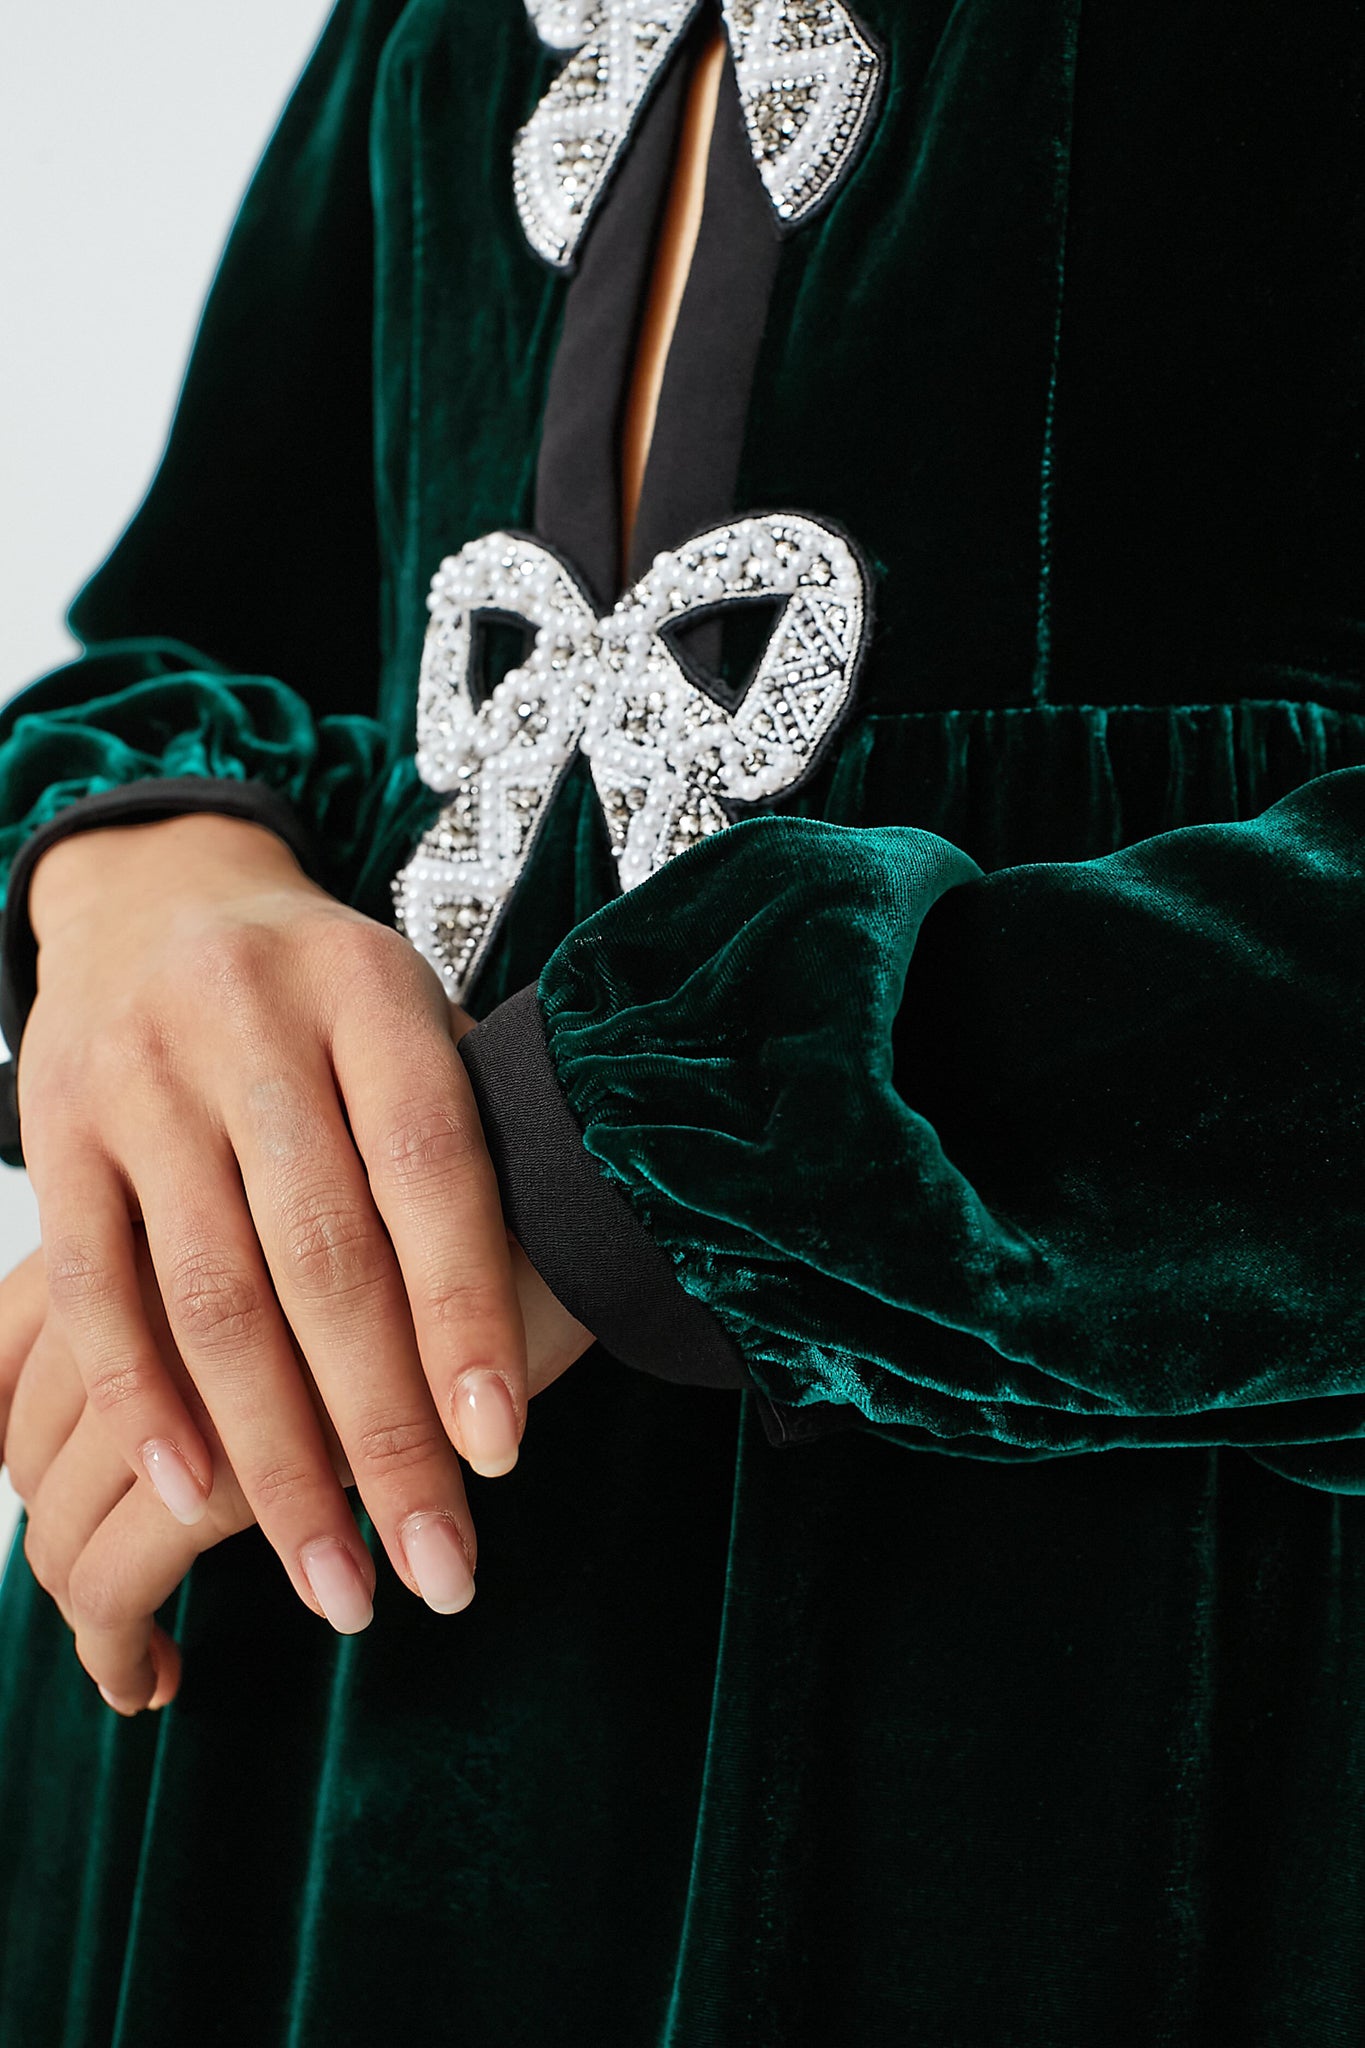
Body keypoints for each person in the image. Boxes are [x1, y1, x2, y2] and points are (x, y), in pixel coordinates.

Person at [1, 1, 1363, 2040]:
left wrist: (630, 1146)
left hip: (1079, 1728)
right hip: (271, 1716)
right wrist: (148, 883)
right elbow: (214, 607)